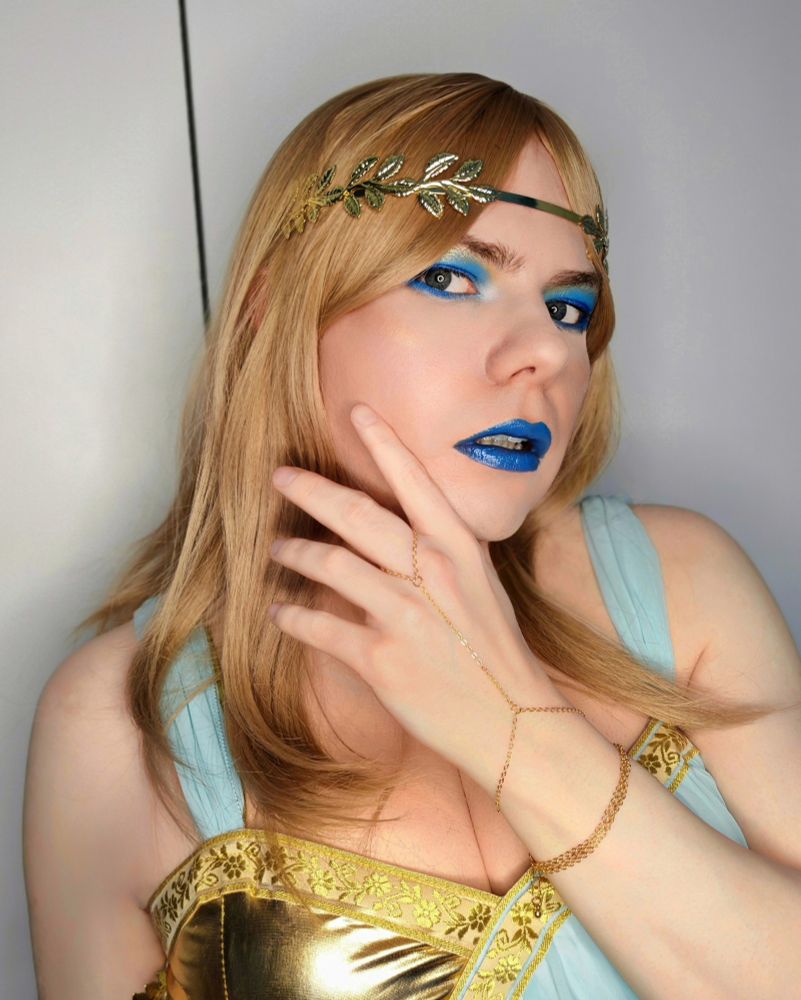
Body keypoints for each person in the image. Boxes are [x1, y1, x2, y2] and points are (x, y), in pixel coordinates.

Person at [23, 72, 801, 1000]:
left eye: (568, 306)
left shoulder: (681, 581)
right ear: (275, 312)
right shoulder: (117, 722)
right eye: (452, 278)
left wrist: (511, 727)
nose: (546, 352)